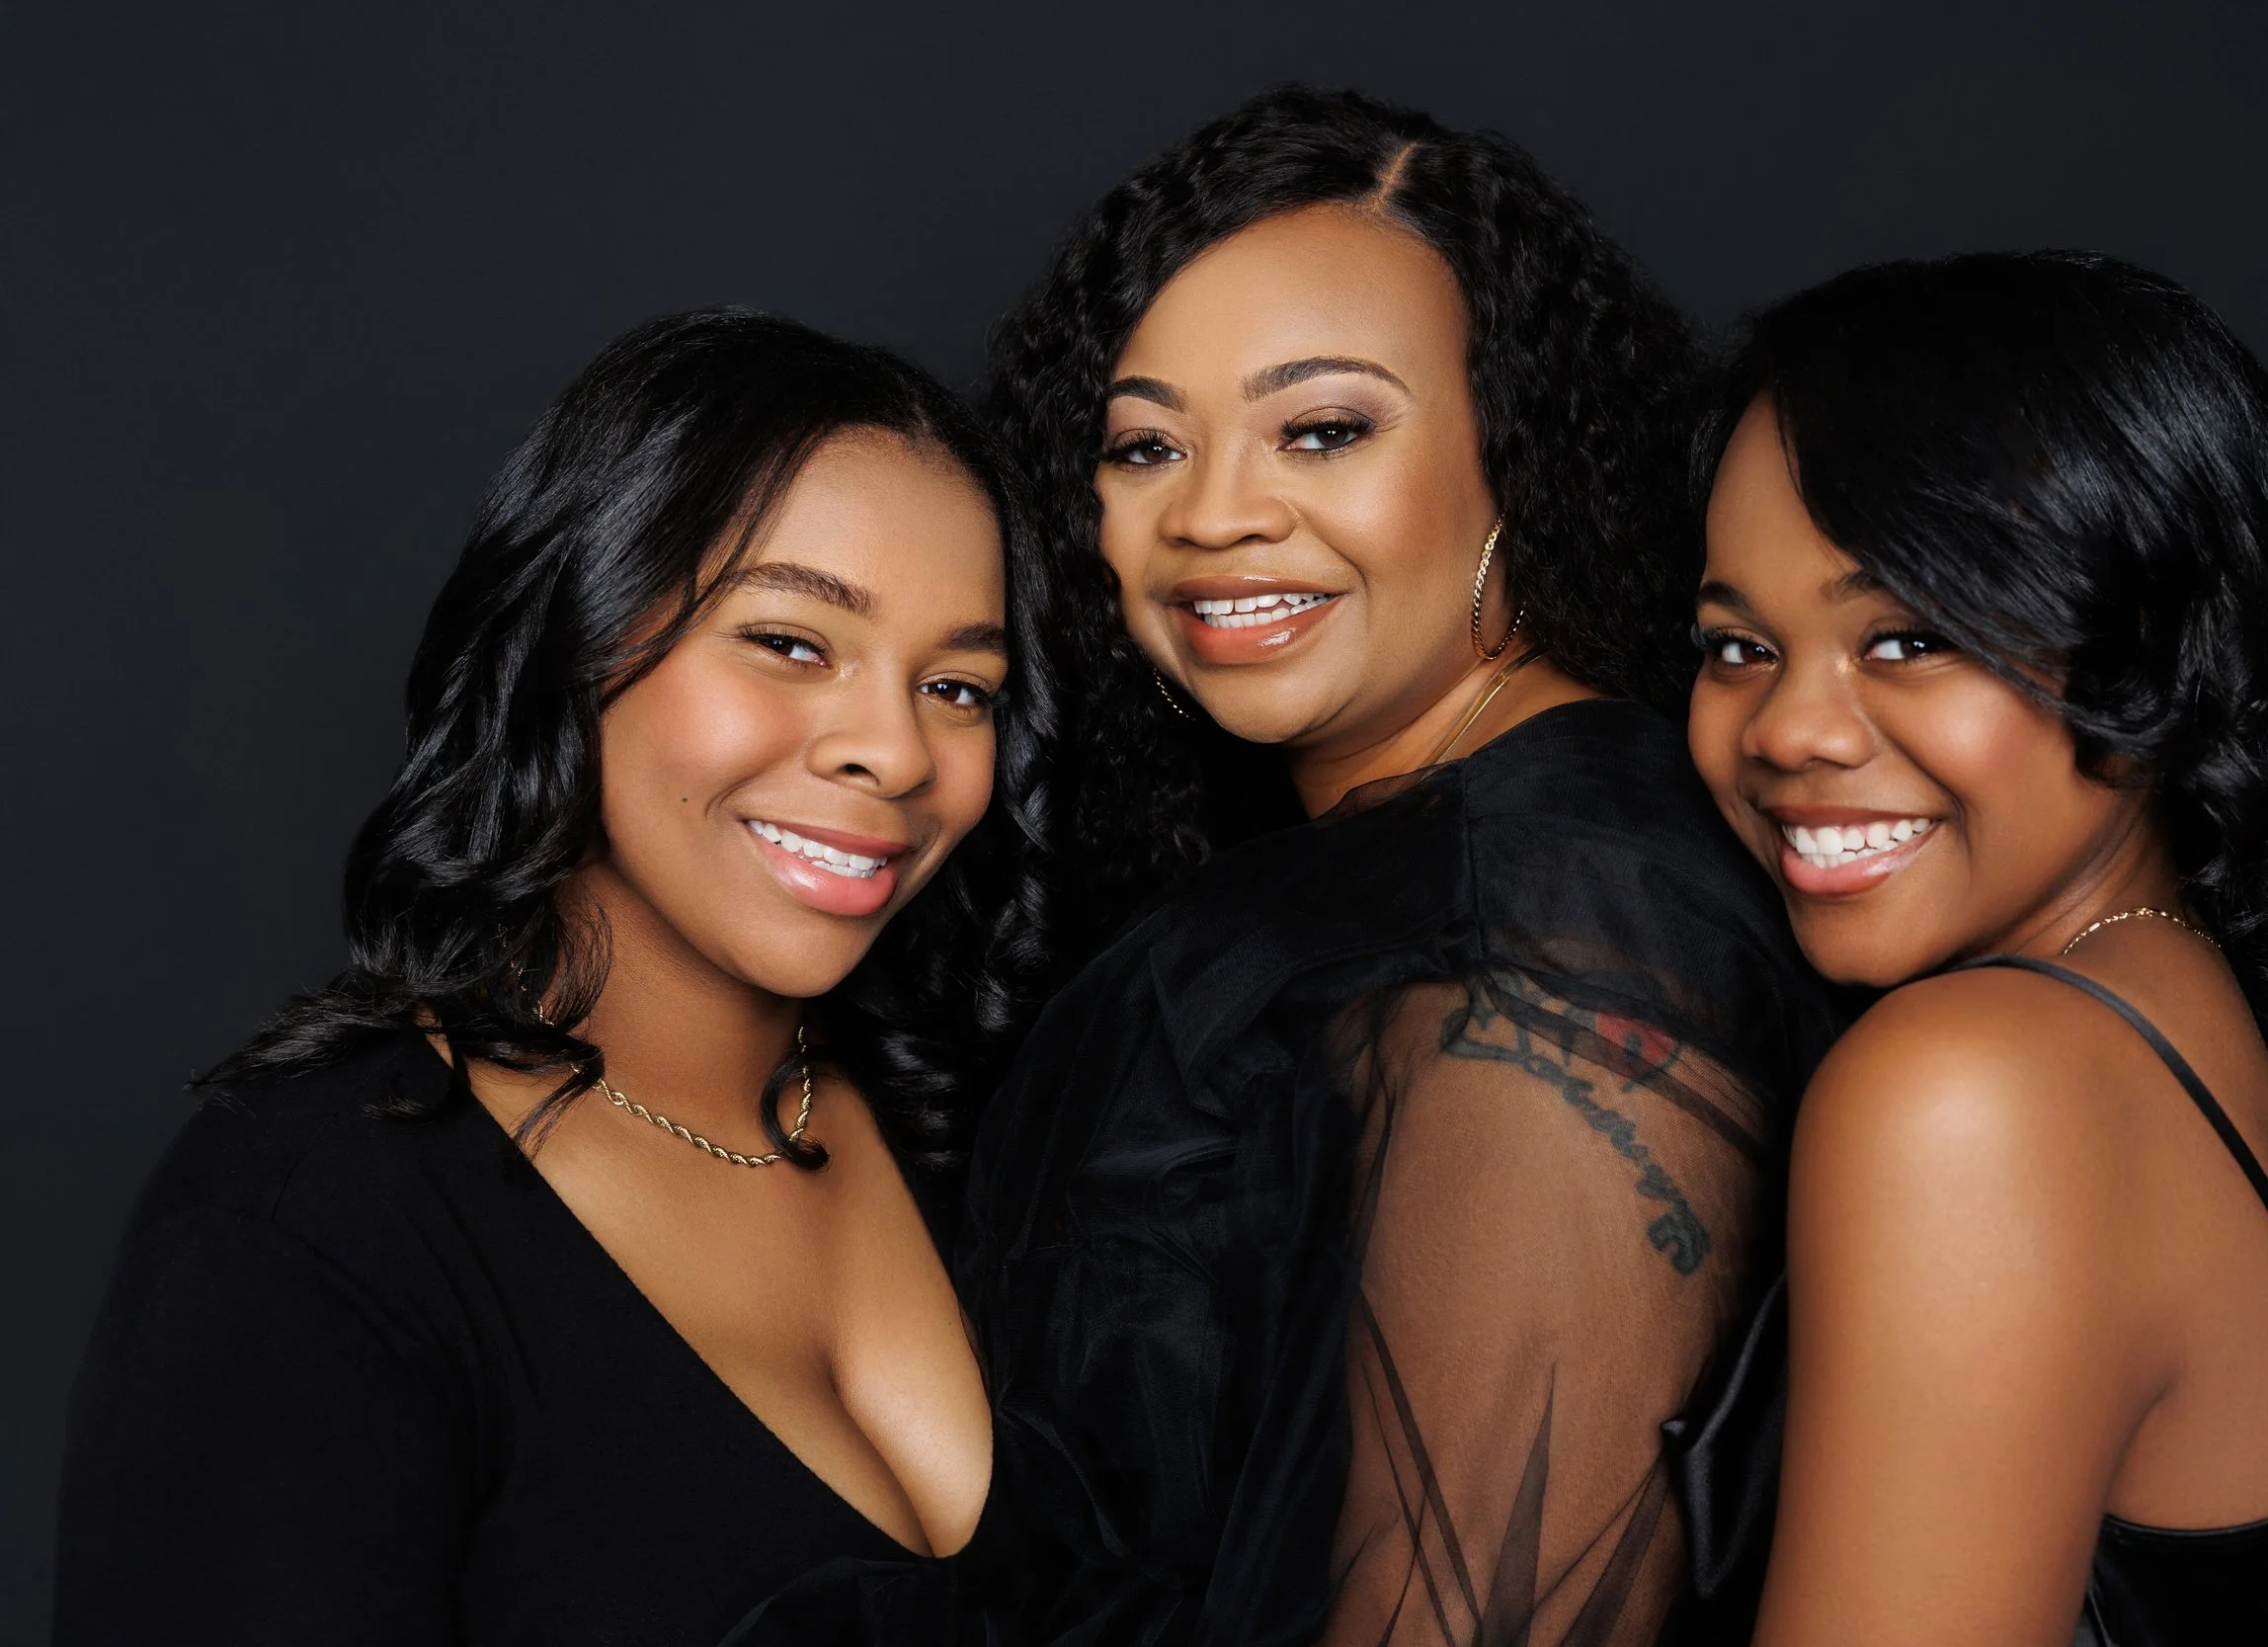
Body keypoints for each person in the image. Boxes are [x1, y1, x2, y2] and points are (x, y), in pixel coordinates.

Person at [942, 87, 1836, 1645]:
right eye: (1146, 444)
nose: (1215, 514)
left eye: (1325, 427)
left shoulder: (1551, 911)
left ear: (1520, 449)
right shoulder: (1376, 859)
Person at [53, 308, 1053, 1646]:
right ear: (578, 641)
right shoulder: (305, 1228)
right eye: (790, 642)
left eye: (961, 687)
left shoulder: (998, 1136)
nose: (896, 750)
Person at [1685, 252, 2268, 1645]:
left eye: (1903, 636)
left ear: (2147, 655)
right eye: (1735, 647)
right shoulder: (2157, 1004)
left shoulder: (1977, 1090)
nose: (1787, 729)